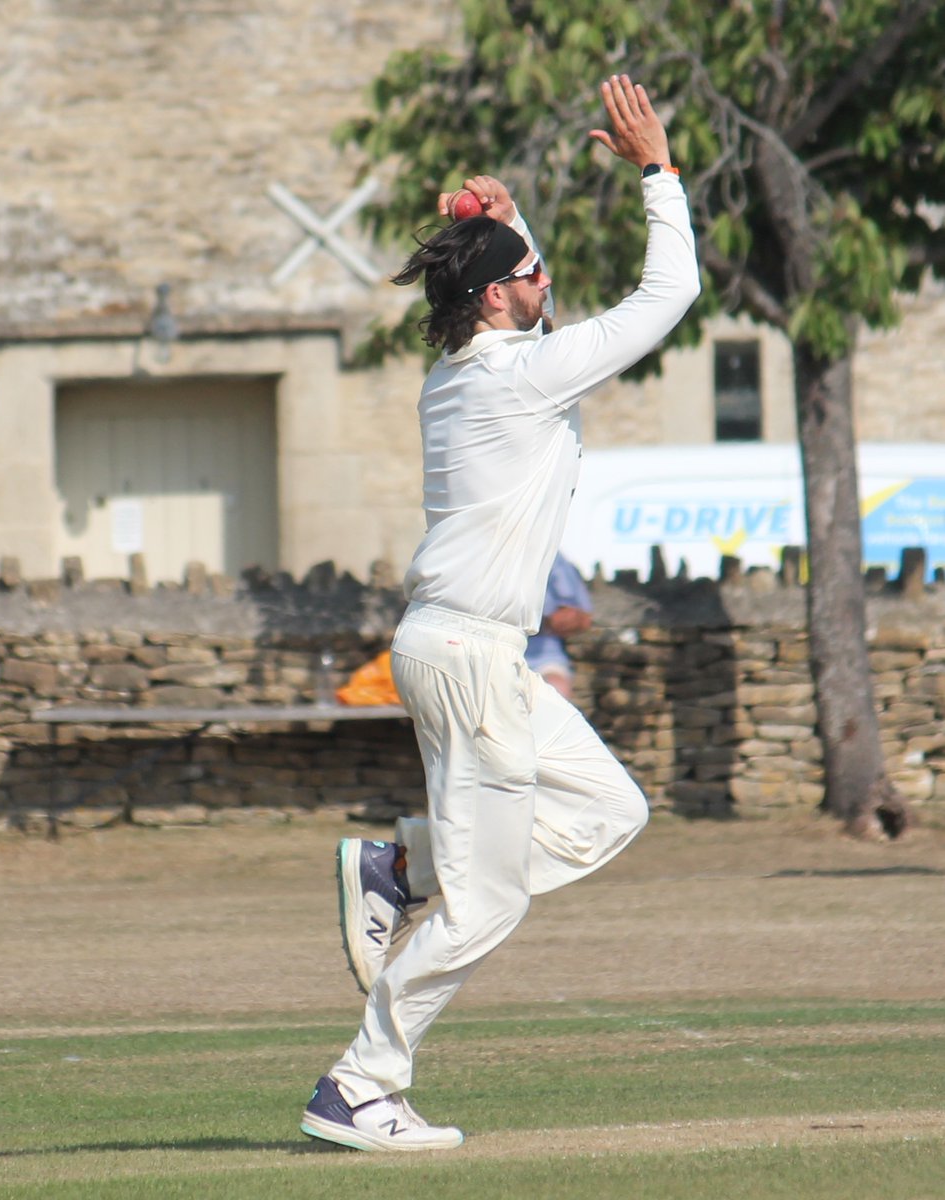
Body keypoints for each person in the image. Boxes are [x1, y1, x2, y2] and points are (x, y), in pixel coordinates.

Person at [300, 74, 700, 1153]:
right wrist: (657, 175)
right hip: (470, 658)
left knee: (611, 811)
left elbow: (535, 316)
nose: (545, 278)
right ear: (494, 300)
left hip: (478, 657)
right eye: (530, 272)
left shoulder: (475, 370)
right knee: (488, 911)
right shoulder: (519, 379)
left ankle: (406, 868)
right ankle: (360, 1084)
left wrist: (508, 223)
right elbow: (666, 300)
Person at [524, 551, 593, 700]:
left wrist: (552, 622)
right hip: (483, 657)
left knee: (555, 692)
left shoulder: (549, 555)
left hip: (541, 659)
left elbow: (584, 619)